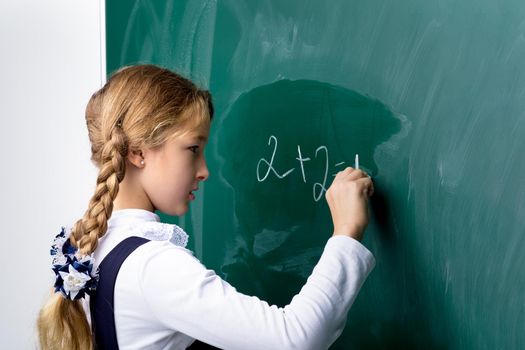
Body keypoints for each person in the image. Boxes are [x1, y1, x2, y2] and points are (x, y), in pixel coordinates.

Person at [37, 64, 375, 350]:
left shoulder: (89, 248)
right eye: (192, 149)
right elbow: (294, 339)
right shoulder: (152, 267)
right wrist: (346, 235)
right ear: (138, 153)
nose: (205, 171)